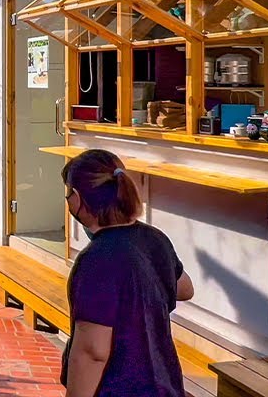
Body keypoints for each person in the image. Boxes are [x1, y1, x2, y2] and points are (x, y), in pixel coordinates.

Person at [60, 149, 195, 397]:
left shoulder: (97, 261)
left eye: (67, 194)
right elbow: (185, 288)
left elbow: (92, 352)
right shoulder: (154, 239)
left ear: (77, 198)